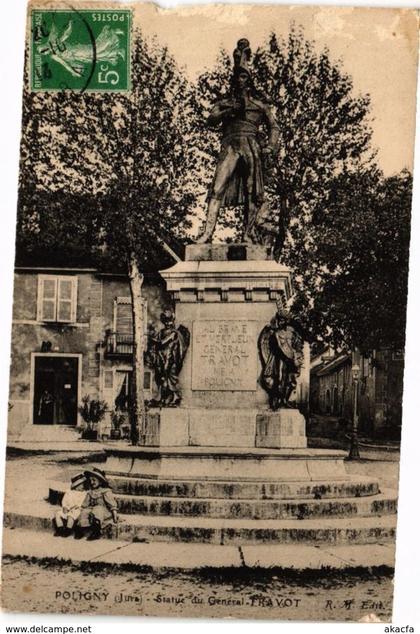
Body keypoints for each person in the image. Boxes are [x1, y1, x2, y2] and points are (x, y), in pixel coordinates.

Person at [197, 38, 279, 244]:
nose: (239, 80)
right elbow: (210, 119)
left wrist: (271, 146)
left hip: (252, 147)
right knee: (217, 188)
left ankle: (248, 234)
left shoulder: (260, 106)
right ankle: (207, 233)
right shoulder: (225, 103)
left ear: (249, 81)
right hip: (230, 146)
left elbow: (274, 126)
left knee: (253, 192)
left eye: (243, 76)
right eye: (237, 77)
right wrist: (227, 111)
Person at [75, 468, 118, 540]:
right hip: (92, 510)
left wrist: (115, 516)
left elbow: (112, 504)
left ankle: (96, 531)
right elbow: (85, 504)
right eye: (91, 480)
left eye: (94, 480)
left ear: (100, 482)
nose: (92, 482)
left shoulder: (105, 491)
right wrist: (81, 508)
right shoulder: (90, 492)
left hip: (103, 511)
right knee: (84, 512)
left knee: (98, 510)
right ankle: (81, 530)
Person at [53, 472, 89, 537]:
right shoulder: (69, 492)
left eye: (83, 484)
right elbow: (64, 500)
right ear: (76, 486)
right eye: (81, 485)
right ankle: (60, 529)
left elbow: (82, 502)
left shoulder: (84, 493)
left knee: (71, 516)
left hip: (76, 509)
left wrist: (77, 506)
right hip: (68, 508)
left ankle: (68, 530)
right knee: (58, 514)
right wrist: (65, 507)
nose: (83, 486)